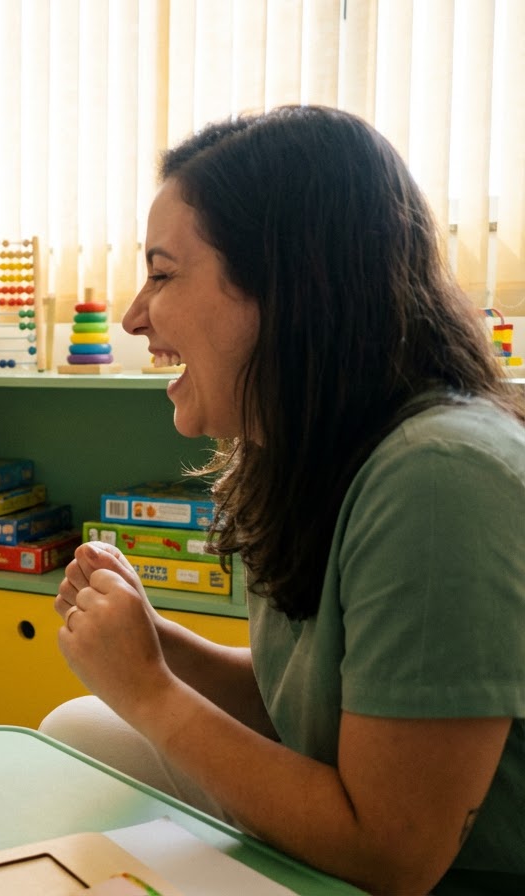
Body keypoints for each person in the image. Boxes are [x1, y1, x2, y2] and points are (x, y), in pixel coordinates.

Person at [40, 106, 525, 895]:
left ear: (287, 287)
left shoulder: (441, 478)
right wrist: (154, 644)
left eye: (162, 274)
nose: (133, 317)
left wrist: (149, 690)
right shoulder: (315, 454)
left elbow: (395, 856)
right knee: (76, 730)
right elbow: (306, 702)